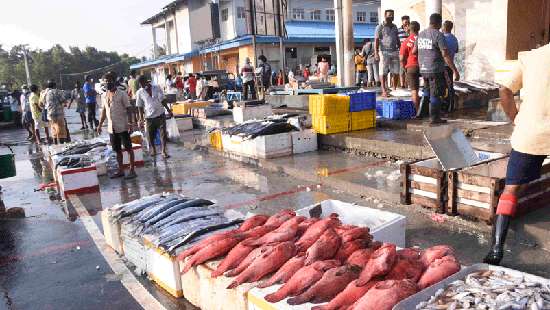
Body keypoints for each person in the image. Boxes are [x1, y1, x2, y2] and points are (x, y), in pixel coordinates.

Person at [483, 42, 550, 266]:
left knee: (511, 189)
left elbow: (504, 90)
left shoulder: (532, 57)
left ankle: (496, 248)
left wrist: (516, 119)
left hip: (530, 133)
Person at [415, 13, 459, 124]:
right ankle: (435, 118)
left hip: (423, 69)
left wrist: (424, 56)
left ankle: (420, 113)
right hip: (435, 69)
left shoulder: (421, 34)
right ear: (439, 23)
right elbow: (445, 54)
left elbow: (414, 51)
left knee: (426, 90)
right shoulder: (438, 35)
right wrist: (454, 70)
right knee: (436, 93)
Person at [97, 72, 137, 179]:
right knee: (117, 150)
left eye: (109, 81)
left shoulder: (122, 94)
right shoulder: (104, 95)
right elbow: (104, 111)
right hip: (111, 128)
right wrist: (100, 125)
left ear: (114, 81)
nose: (107, 83)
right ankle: (121, 170)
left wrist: (130, 123)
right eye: (105, 82)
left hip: (122, 126)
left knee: (128, 148)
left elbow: (129, 109)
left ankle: (132, 170)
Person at [135, 75, 173, 159]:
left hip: (160, 114)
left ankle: (163, 151)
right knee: (150, 135)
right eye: (140, 83)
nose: (141, 85)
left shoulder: (156, 88)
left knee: (163, 134)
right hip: (149, 117)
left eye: (142, 82)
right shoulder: (139, 92)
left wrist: (168, 110)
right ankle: (154, 149)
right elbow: (140, 106)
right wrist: (140, 119)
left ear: (146, 81)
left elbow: (163, 99)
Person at [375, 10, 401, 97]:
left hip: (394, 51)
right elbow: (376, 40)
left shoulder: (395, 26)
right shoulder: (380, 27)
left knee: (396, 71)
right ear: (385, 16)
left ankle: (394, 88)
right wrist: (376, 52)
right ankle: (383, 89)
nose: (391, 17)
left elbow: (397, 38)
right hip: (384, 51)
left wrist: (400, 48)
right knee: (383, 71)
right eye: (389, 15)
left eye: (392, 15)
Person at [400, 21, 421, 112]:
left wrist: (404, 68)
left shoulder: (406, 41)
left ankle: (416, 112)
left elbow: (401, 58)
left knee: (414, 91)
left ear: (409, 29)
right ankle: (427, 111)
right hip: (425, 67)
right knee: (428, 90)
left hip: (411, 67)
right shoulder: (424, 39)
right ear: (419, 29)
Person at [442, 20, 459, 112]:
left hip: (442, 65)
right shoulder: (454, 38)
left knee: (443, 86)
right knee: (449, 86)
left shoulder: (442, 38)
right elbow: (456, 50)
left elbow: (443, 53)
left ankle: (446, 106)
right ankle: (451, 106)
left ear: (444, 27)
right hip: (450, 65)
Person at [398, 16, 411, 88]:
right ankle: (402, 84)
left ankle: (409, 84)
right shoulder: (398, 30)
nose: (407, 24)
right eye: (405, 22)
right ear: (402, 22)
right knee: (402, 68)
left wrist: (409, 31)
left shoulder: (411, 29)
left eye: (408, 22)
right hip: (401, 52)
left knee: (409, 69)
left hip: (410, 52)